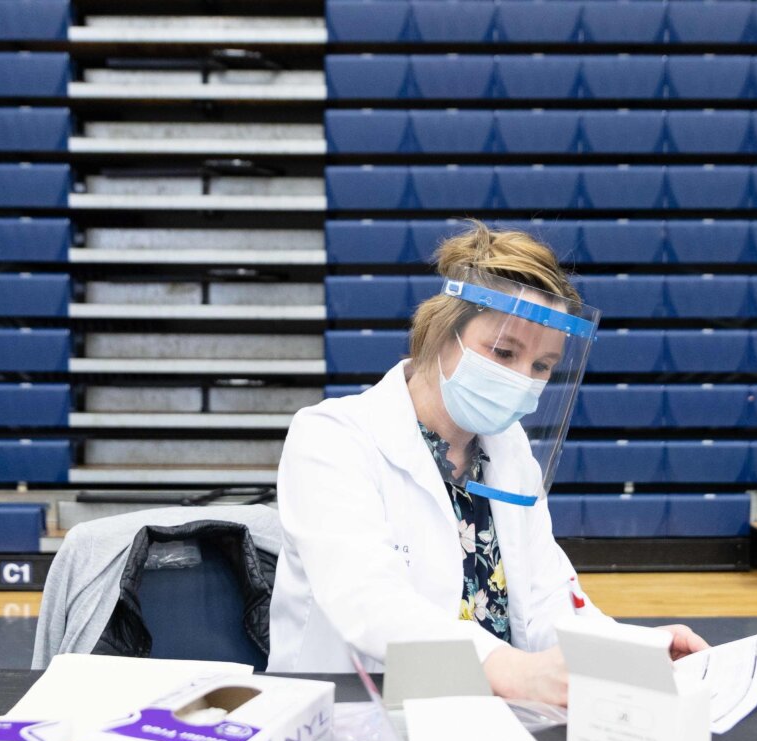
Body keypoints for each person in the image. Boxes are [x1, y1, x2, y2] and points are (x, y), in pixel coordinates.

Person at [266, 222, 708, 704]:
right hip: (350, 716)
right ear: (441, 334)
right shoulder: (332, 436)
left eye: (542, 366)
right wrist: (509, 670)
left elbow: (545, 601)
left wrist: (631, 652)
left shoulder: (508, 449)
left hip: (487, 714)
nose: (523, 379)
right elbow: (367, 601)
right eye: (503, 351)